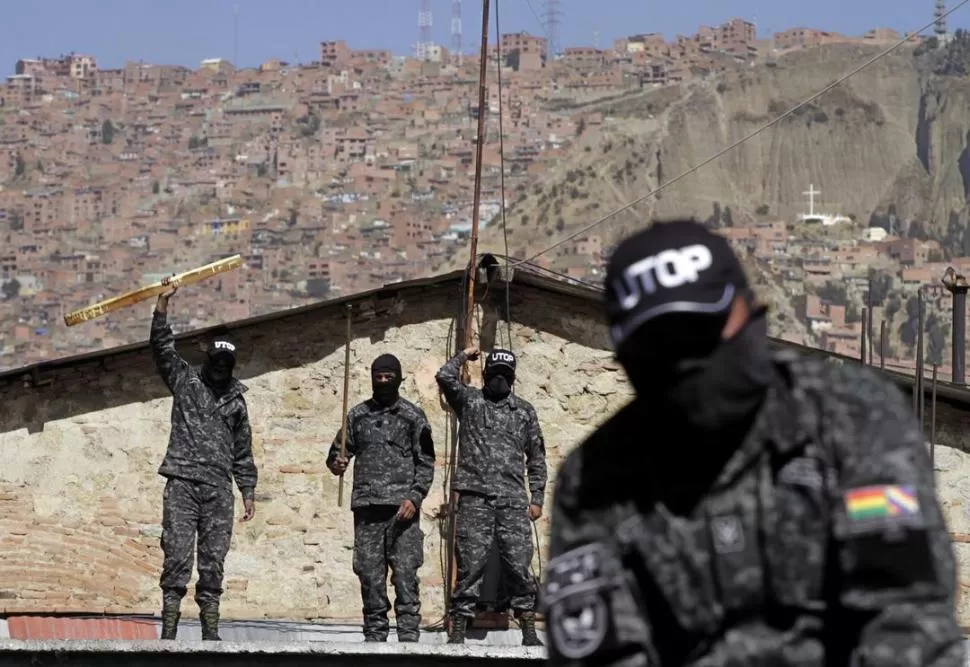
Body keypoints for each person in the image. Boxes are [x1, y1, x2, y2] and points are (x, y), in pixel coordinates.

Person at [542, 219, 964, 665]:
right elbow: (600, 655)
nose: (685, 360)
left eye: (699, 332)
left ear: (749, 312)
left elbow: (907, 620)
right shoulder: (597, 481)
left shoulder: (851, 416)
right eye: (660, 347)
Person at [151, 281, 257, 641]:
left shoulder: (237, 402)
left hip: (217, 489)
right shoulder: (186, 381)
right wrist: (162, 307)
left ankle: (210, 631)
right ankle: (169, 630)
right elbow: (162, 349)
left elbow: (243, 451)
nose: (221, 369)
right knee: (177, 555)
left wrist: (248, 491)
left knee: (213, 561)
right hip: (182, 482)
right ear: (208, 361)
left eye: (227, 365)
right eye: (217, 363)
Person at [436, 347, 546, 646]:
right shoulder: (470, 401)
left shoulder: (524, 411)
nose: (500, 379)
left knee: (518, 564)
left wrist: (536, 498)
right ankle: (459, 626)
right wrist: (463, 356)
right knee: (471, 564)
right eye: (495, 373)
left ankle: (528, 630)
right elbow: (444, 377)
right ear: (485, 375)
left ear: (513, 378)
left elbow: (536, 457)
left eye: (505, 375)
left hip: (512, 500)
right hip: (475, 497)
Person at [326, 353, 435, 643]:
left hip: (403, 511)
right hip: (368, 508)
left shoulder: (413, 417)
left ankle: (409, 638)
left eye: (389, 377)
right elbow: (338, 452)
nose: (384, 382)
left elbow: (426, 462)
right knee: (370, 576)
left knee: (405, 575)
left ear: (398, 378)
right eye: (379, 377)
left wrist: (415, 497)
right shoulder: (357, 415)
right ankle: (374, 637)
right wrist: (336, 463)